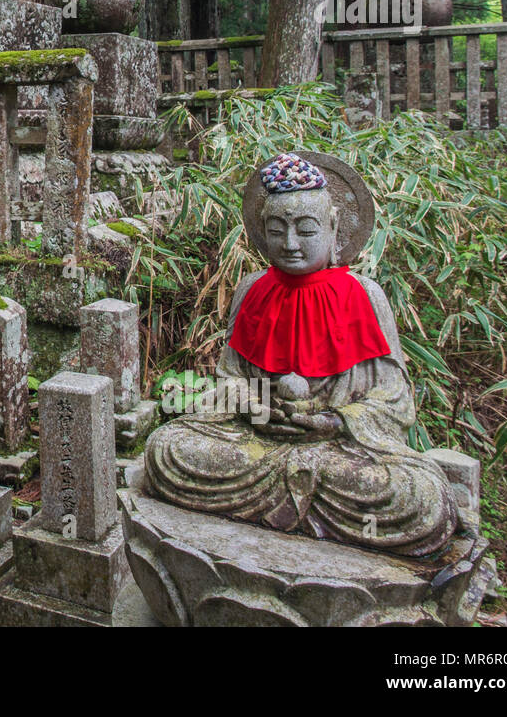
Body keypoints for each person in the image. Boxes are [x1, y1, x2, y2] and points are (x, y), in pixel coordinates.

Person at [143, 151, 459, 558]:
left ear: (332, 226)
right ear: (262, 231)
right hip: (256, 443)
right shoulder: (252, 290)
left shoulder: (366, 296)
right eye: (276, 230)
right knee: (168, 449)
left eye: (305, 230)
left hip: (340, 451)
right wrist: (255, 408)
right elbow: (228, 380)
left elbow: (395, 401)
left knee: (416, 497)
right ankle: (300, 510)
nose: (290, 244)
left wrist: (333, 420)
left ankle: (286, 507)